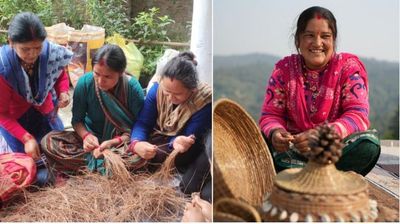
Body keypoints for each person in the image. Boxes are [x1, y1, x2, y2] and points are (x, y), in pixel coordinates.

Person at [259, 6, 380, 176]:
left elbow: (357, 115)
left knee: (368, 145)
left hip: (334, 153)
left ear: (333, 40)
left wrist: (321, 137)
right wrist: (276, 133)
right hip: (293, 152)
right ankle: (316, 174)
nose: (317, 43)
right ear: (298, 40)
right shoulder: (283, 71)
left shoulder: (348, 69)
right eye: (309, 35)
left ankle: (302, 175)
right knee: (260, 140)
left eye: (325, 36)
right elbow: (270, 115)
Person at [41, 44, 144, 175]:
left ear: (121, 73)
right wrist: (86, 136)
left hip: (120, 144)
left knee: (140, 157)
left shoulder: (132, 88)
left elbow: (138, 128)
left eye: (108, 77)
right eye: (97, 74)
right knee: (49, 142)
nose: (100, 81)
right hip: (91, 142)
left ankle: (94, 165)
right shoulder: (85, 82)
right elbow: (77, 121)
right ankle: (106, 165)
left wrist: (114, 142)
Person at [0, 12, 73, 187]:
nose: (32, 54)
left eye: (37, 48)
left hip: (45, 112)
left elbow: (60, 74)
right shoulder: (4, 68)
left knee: (63, 157)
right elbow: (2, 114)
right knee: (31, 174)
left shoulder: (50, 54)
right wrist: (26, 138)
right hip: (17, 120)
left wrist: (63, 92)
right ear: (11, 42)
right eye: (25, 49)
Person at [129, 51, 212, 196]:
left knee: (167, 160)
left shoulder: (203, 101)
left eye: (178, 94)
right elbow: (143, 122)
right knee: (133, 153)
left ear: (192, 90)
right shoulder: (157, 89)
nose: (170, 98)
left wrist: (175, 142)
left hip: (186, 144)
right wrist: (137, 143)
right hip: (161, 136)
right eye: (167, 91)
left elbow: (190, 136)